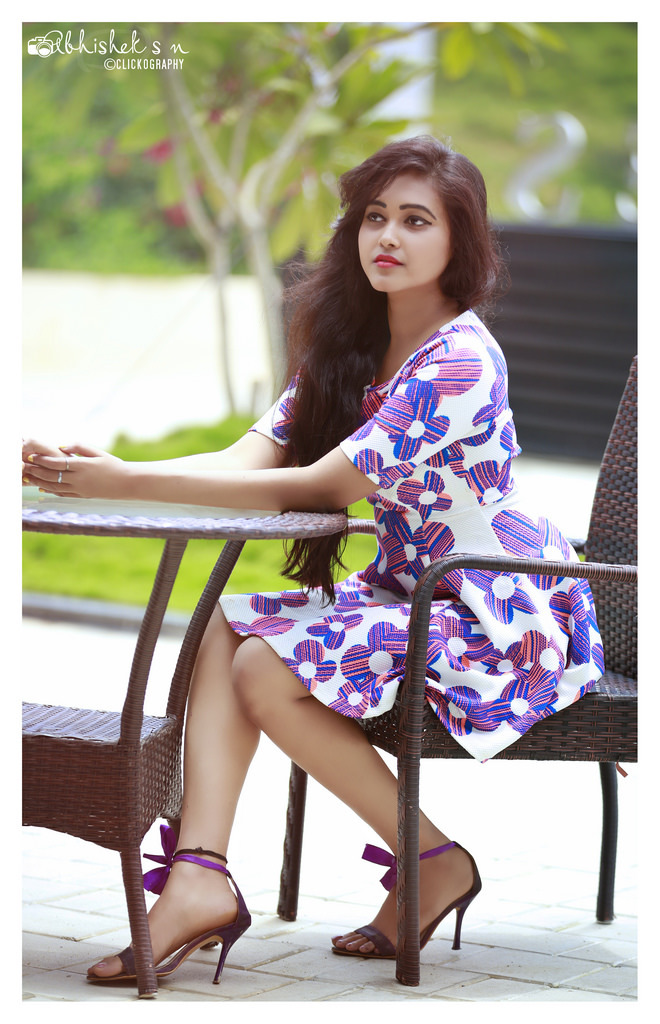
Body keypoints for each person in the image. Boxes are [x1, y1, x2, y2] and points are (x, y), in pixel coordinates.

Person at [22, 136, 604, 986]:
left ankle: (433, 859)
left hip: (497, 609)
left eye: (416, 221)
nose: (387, 237)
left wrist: (125, 482)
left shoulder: (461, 360)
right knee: (228, 628)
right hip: (412, 590)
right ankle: (199, 876)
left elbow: (322, 484)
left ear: (461, 241)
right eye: (374, 217)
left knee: (264, 666)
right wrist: (111, 472)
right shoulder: (349, 346)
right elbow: (249, 460)